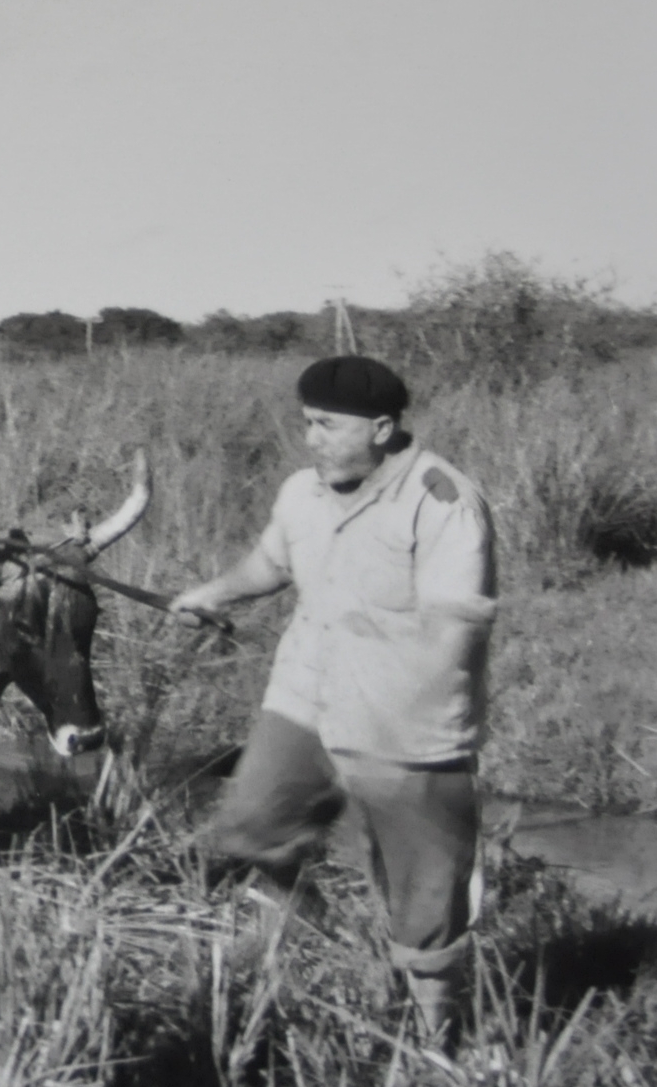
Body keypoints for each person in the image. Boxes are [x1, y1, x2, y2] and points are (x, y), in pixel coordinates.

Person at [169, 356, 497, 1045]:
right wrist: (215, 593)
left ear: (381, 428)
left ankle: (436, 1041)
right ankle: (308, 927)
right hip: (305, 696)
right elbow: (272, 563)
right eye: (307, 422)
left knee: (425, 901)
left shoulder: (441, 500)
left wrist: (377, 751)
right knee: (252, 824)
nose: (310, 438)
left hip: (406, 727)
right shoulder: (302, 492)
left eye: (326, 425)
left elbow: (455, 630)